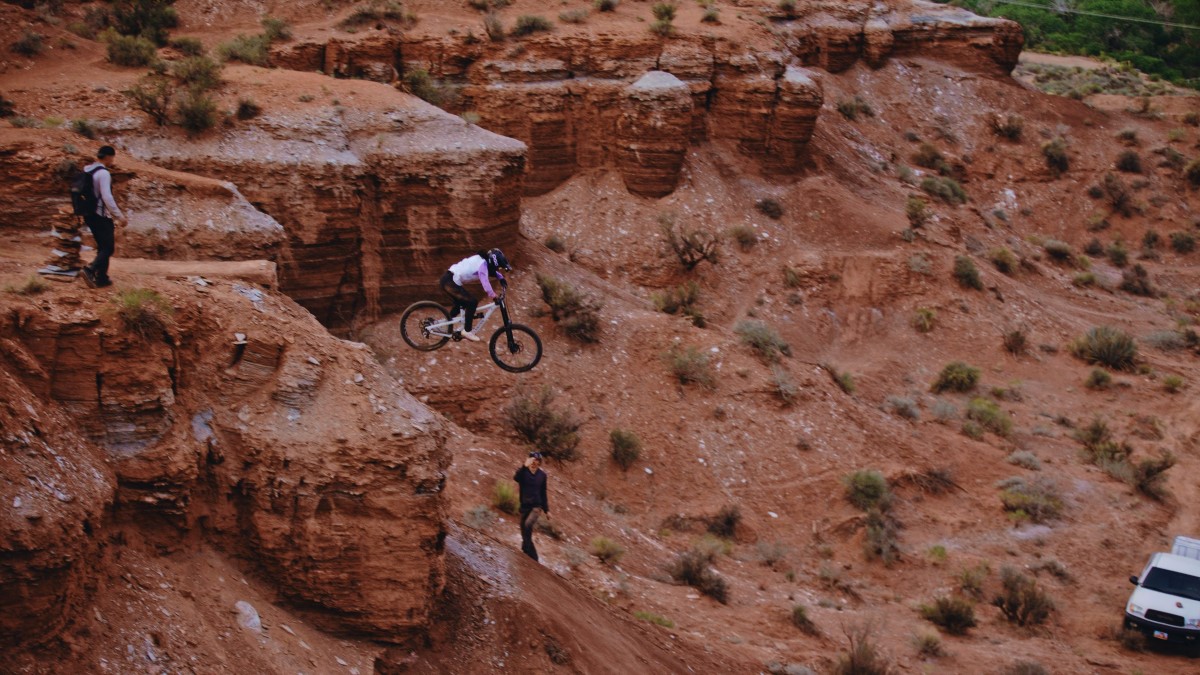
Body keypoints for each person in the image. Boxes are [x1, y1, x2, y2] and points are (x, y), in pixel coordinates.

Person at [440, 248, 511, 342]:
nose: (498, 269)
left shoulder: (482, 261)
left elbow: (491, 271)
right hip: (450, 282)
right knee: (472, 302)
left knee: (460, 304)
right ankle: (467, 331)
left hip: (449, 279)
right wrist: (494, 296)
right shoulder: (483, 265)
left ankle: (446, 324)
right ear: (494, 263)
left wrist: (501, 277)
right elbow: (486, 284)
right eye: (498, 267)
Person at [81, 146, 127, 288]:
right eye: (112, 158)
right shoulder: (104, 173)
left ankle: (102, 278)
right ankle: (90, 269)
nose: (113, 161)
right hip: (100, 215)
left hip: (88, 214)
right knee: (108, 248)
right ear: (108, 157)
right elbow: (107, 197)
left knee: (103, 246)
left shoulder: (87, 169)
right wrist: (119, 216)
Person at [514, 452, 549, 562]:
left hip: (536, 507)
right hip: (524, 506)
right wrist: (524, 466)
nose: (535, 463)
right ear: (529, 461)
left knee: (528, 524)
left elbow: (543, 493)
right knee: (524, 531)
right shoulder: (523, 473)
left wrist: (547, 510)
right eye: (533, 461)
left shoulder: (542, 476)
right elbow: (516, 478)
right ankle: (532, 556)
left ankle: (528, 552)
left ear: (540, 463)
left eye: (537, 462)